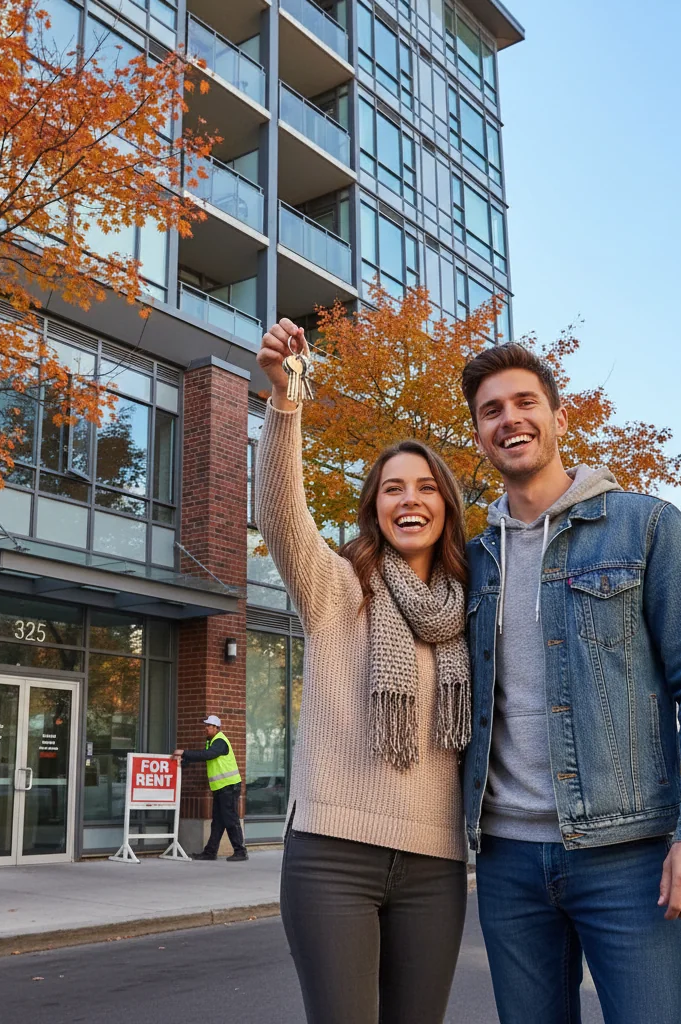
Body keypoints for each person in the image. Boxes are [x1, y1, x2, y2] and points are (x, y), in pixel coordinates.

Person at [459, 343, 681, 1024]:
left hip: (626, 851)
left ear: (559, 417)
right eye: (490, 410)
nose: (509, 419)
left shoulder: (645, 526)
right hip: (505, 859)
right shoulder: (472, 561)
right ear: (478, 434)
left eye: (525, 403)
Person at [255, 319, 472, 1024]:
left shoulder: (472, 610)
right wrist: (286, 404)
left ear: (446, 505)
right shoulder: (337, 586)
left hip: (435, 863)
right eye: (392, 489)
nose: (409, 499)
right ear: (374, 508)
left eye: (425, 488)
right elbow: (282, 516)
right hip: (330, 857)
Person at [174, 715, 248, 862]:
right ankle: (210, 852)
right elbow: (205, 755)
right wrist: (185, 761)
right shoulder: (212, 742)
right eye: (206, 725)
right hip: (221, 788)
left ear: (216, 728)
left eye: (209, 725)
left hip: (228, 787)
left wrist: (184, 753)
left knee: (230, 819)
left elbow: (208, 755)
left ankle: (240, 851)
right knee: (218, 822)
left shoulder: (220, 741)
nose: (206, 728)